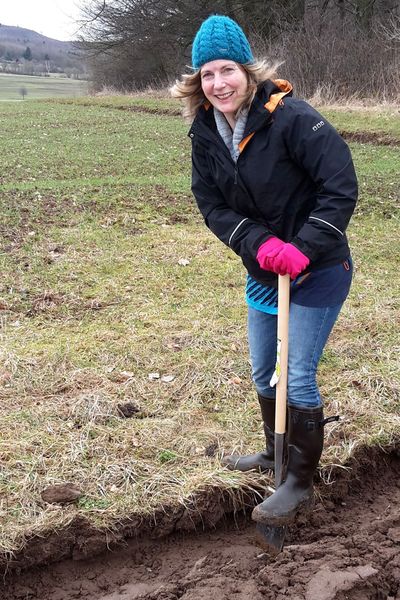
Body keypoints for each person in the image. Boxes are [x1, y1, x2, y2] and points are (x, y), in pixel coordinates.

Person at [171, 15, 357, 526]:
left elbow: (339, 186)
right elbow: (211, 204)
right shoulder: (205, 132)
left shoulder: (293, 118)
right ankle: (275, 453)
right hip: (263, 269)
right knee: (263, 370)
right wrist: (259, 243)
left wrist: (302, 246)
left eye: (226, 70)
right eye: (207, 74)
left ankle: (298, 483)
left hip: (318, 270)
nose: (218, 83)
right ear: (197, 82)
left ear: (248, 71)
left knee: (297, 376)